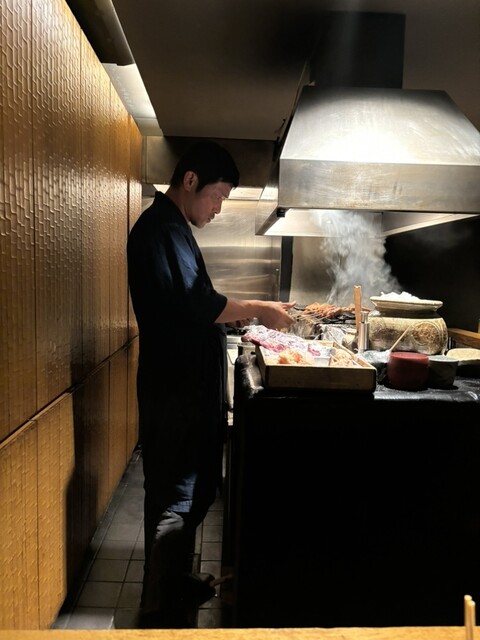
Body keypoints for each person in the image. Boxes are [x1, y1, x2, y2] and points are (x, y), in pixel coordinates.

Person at [127, 141, 294, 628]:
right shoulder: (161, 228)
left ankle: (174, 584)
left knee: (189, 491)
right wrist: (258, 309)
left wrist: (238, 316)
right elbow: (197, 303)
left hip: (182, 384)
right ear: (190, 181)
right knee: (176, 495)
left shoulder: (172, 227)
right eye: (217, 196)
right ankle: (159, 612)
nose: (219, 209)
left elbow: (193, 303)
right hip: (175, 389)